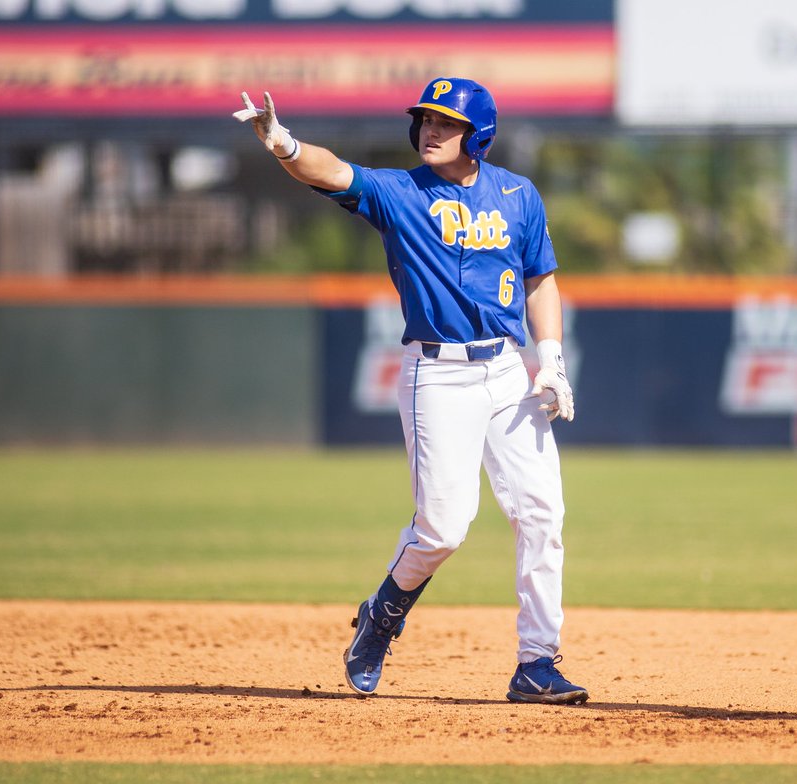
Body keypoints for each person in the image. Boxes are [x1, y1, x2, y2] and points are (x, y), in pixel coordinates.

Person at [234, 78, 588, 704]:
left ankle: (537, 663)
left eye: (445, 123)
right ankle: (382, 615)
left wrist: (551, 362)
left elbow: (541, 281)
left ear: (476, 136)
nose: (430, 130)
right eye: (425, 119)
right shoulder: (401, 193)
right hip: (437, 372)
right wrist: (284, 143)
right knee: (443, 530)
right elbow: (335, 172)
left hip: (508, 371)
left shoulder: (517, 195)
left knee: (542, 515)